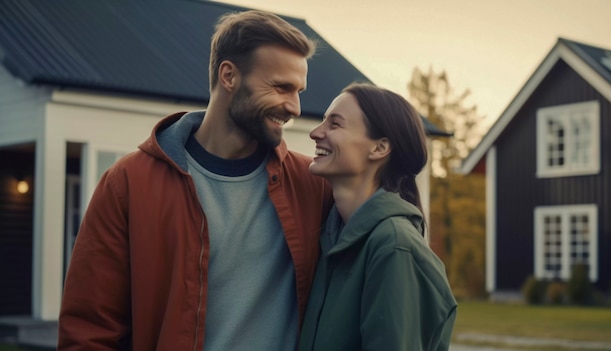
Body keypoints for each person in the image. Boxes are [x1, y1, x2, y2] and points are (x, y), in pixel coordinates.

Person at [58, 10, 333, 350]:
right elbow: (90, 329)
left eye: (299, 91)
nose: (294, 106)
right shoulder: (127, 183)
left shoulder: (315, 185)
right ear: (229, 76)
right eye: (281, 87)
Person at [298, 83, 457, 351]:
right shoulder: (332, 238)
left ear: (380, 148)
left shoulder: (394, 247)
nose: (315, 132)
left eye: (334, 124)